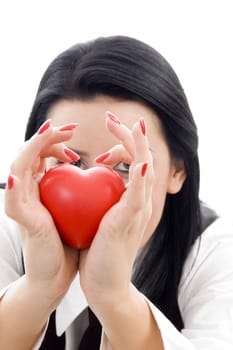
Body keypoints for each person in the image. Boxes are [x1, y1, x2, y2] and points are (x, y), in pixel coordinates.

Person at [0, 35, 232, 350]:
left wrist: (113, 297)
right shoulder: (10, 221)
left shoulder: (215, 249)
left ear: (177, 171)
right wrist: (38, 288)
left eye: (124, 166)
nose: (95, 196)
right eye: (70, 161)